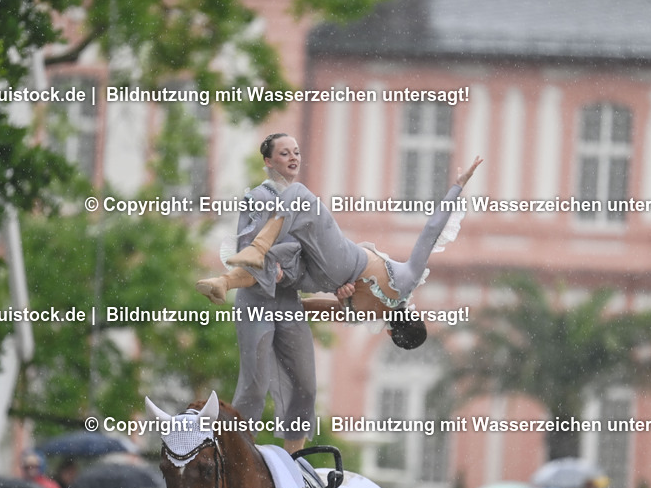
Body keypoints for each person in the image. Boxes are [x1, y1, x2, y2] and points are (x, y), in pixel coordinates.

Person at [197, 152, 483, 351]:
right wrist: (288, 307)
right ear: (390, 332)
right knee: (277, 266)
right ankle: (224, 282)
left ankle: (256, 249)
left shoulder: (408, 282)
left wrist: (457, 186)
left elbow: (430, 232)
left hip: (344, 260)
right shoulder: (365, 315)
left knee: (300, 196)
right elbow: (317, 309)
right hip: (319, 280)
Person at [209, 133, 318, 454]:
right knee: (254, 386)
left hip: (288, 301)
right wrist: (275, 269)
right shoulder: (257, 198)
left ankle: (294, 460)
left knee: (306, 384)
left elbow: (312, 254)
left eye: (296, 152)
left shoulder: (305, 201)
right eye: (284, 153)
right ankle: (238, 456)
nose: (293, 157)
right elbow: (248, 251)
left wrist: (337, 284)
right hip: (255, 299)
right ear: (268, 161)